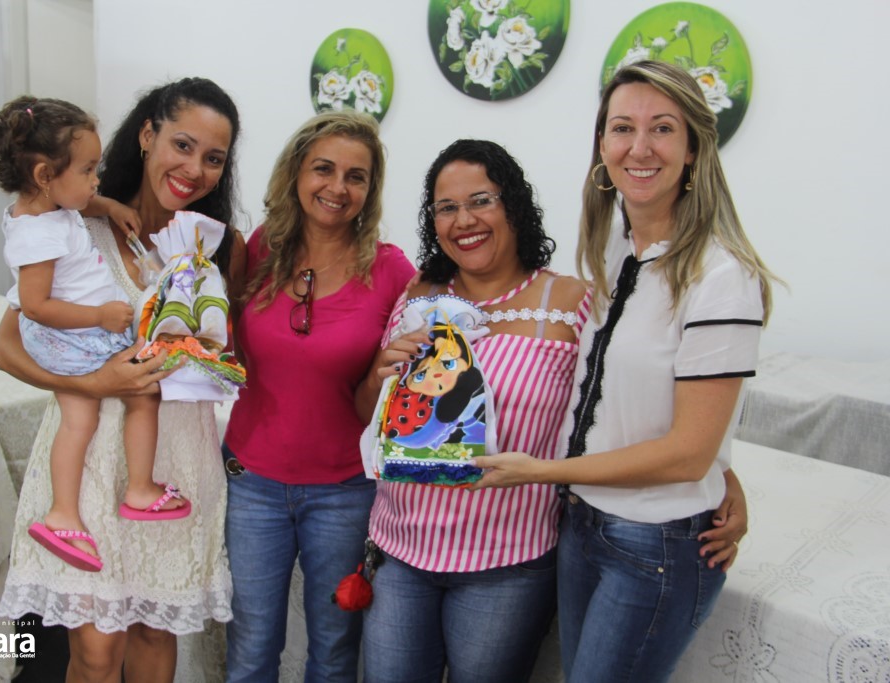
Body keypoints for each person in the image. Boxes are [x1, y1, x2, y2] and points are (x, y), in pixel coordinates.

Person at [472, 60, 778, 682]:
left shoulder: (723, 277)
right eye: (622, 128)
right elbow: (634, 403)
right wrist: (722, 469)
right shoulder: (616, 244)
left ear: (693, 149)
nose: (639, 148)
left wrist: (543, 471)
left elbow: (687, 454)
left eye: (662, 128)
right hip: (584, 524)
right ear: (602, 146)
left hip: (655, 542)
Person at [0, 77, 244, 683]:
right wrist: (95, 385)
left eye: (214, 158)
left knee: (155, 632)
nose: (195, 169)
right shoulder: (74, 221)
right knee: (97, 652)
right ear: (147, 135)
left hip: (174, 456)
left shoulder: (218, 247)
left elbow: (219, 345)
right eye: (182, 145)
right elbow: (5, 349)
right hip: (88, 459)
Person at [356, 139, 589, 683]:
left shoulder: (569, 303)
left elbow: (617, 409)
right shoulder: (418, 295)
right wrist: (377, 375)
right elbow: (371, 414)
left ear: (514, 205)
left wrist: (718, 475)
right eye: (446, 207)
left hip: (506, 564)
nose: (464, 220)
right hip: (399, 552)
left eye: (481, 200)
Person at [221, 109, 415, 683]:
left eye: (356, 176)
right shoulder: (261, 249)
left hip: (345, 491)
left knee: (333, 649)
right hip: (251, 482)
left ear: (371, 190)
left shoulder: (392, 271)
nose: (337, 187)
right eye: (323, 169)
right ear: (296, 173)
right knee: (251, 643)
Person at [0, 96, 187, 575]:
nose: (96, 179)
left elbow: (79, 199)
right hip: (73, 337)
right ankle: (130, 492)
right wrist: (99, 315)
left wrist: (110, 205)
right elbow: (35, 305)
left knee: (88, 418)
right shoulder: (38, 236)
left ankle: (71, 511)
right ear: (45, 176)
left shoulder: (47, 206)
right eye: (88, 170)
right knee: (136, 395)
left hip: (74, 334)